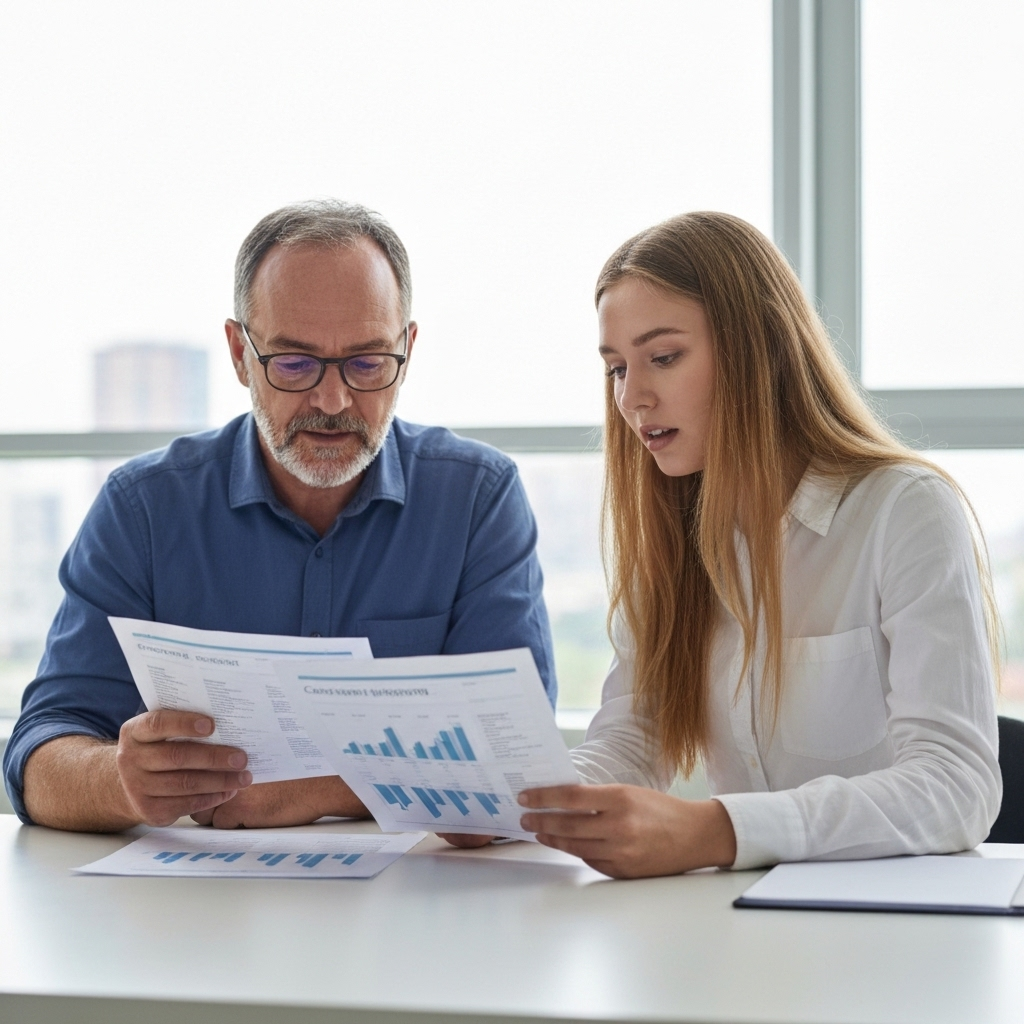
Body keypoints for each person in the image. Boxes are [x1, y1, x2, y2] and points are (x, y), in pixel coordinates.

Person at [3, 200, 555, 831]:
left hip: (417, 909)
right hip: (195, 916)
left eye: (368, 363)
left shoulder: (476, 498)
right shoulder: (144, 508)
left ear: (407, 350)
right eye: (293, 363)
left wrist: (310, 789)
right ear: (240, 354)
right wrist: (119, 782)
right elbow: (40, 755)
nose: (332, 399)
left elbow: (517, 769)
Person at [515, 211, 1001, 878]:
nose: (633, 398)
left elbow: (955, 787)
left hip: (892, 935)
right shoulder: (672, 540)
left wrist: (718, 829)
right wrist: (514, 803)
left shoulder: (904, 510)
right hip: (744, 929)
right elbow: (628, 743)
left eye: (662, 358)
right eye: (616, 369)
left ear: (760, 347)